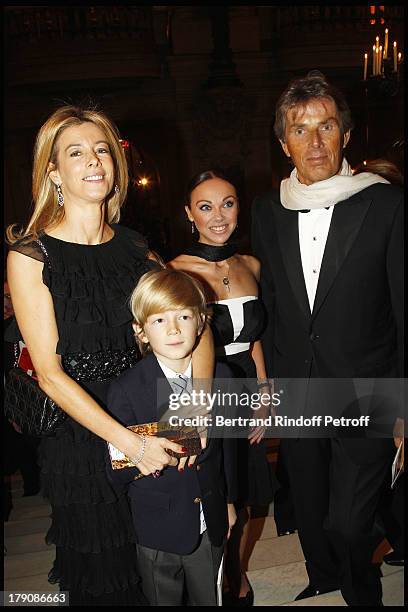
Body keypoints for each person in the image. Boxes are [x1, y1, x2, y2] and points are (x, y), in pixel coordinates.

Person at [6, 105, 214, 606]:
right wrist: (129, 444)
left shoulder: (135, 248)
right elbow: (51, 376)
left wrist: (196, 406)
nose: (94, 160)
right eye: (76, 152)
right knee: (105, 575)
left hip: (145, 414)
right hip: (80, 438)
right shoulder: (30, 255)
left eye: (102, 149)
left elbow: (196, 323)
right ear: (53, 172)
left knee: (159, 566)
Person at [251, 71, 403, 606]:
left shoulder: (384, 205)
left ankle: (364, 593)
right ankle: (327, 577)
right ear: (283, 141)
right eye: (300, 129)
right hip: (299, 388)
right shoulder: (267, 213)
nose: (314, 142)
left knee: (349, 520)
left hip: (369, 388)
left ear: (345, 134)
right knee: (311, 508)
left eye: (326, 126)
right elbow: (267, 306)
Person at [170, 169, 276, 606]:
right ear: (190, 214)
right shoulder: (175, 271)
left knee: (246, 494)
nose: (219, 215)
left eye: (228, 203)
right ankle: (219, 579)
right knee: (214, 496)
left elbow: (252, 340)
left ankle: (236, 572)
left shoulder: (251, 265)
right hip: (204, 390)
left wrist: (265, 393)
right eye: (206, 206)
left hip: (247, 387)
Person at [107, 268, 237, 606]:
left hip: (210, 522)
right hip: (156, 530)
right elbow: (115, 468)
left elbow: (229, 452)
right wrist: (175, 434)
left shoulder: (221, 377)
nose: (175, 328)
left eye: (183, 316)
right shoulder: (126, 389)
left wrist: (229, 500)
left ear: (200, 323)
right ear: (142, 331)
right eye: (160, 320)